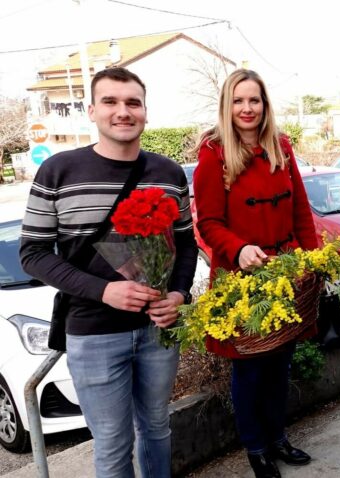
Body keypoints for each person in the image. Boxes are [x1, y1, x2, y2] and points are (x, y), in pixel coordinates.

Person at [20, 67, 198, 477]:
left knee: (157, 428)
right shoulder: (59, 172)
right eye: (111, 102)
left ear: (145, 112)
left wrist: (179, 295)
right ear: (92, 110)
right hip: (94, 333)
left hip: (158, 330)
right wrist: (104, 291)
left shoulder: (169, 173)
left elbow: (186, 244)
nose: (123, 112)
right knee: (113, 446)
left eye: (132, 102)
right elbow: (33, 253)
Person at [192, 69, 318, 478]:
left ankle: (278, 437)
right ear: (227, 105)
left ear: (265, 105)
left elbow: (300, 208)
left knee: (281, 362)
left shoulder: (281, 147)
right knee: (249, 369)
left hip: (284, 273)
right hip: (241, 281)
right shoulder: (213, 154)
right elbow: (207, 222)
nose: (247, 109)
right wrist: (239, 247)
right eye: (239, 101)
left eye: (255, 100)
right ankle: (256, 446)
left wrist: (313, 261)